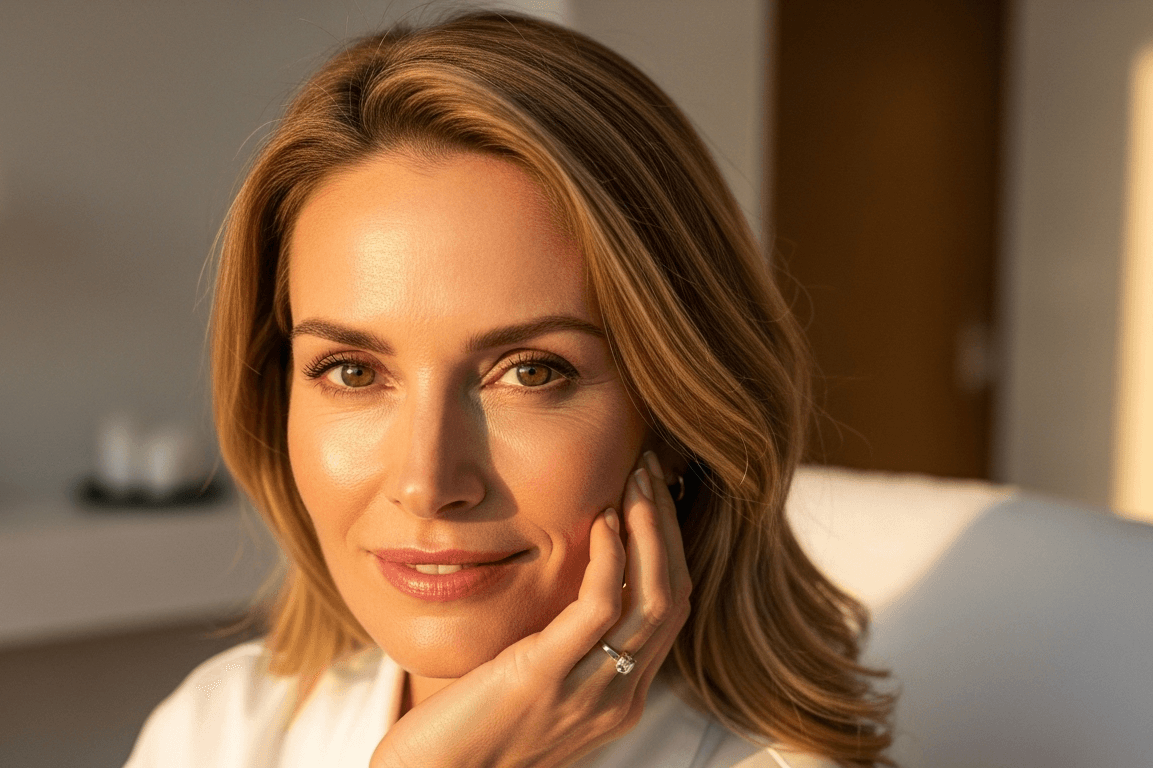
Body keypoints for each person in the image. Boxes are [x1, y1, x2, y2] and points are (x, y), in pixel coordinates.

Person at [124, 11, 894, 768]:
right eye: (353, 371)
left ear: (676, 414)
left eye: (530, 371)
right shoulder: (220, 728)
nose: (429, 483)